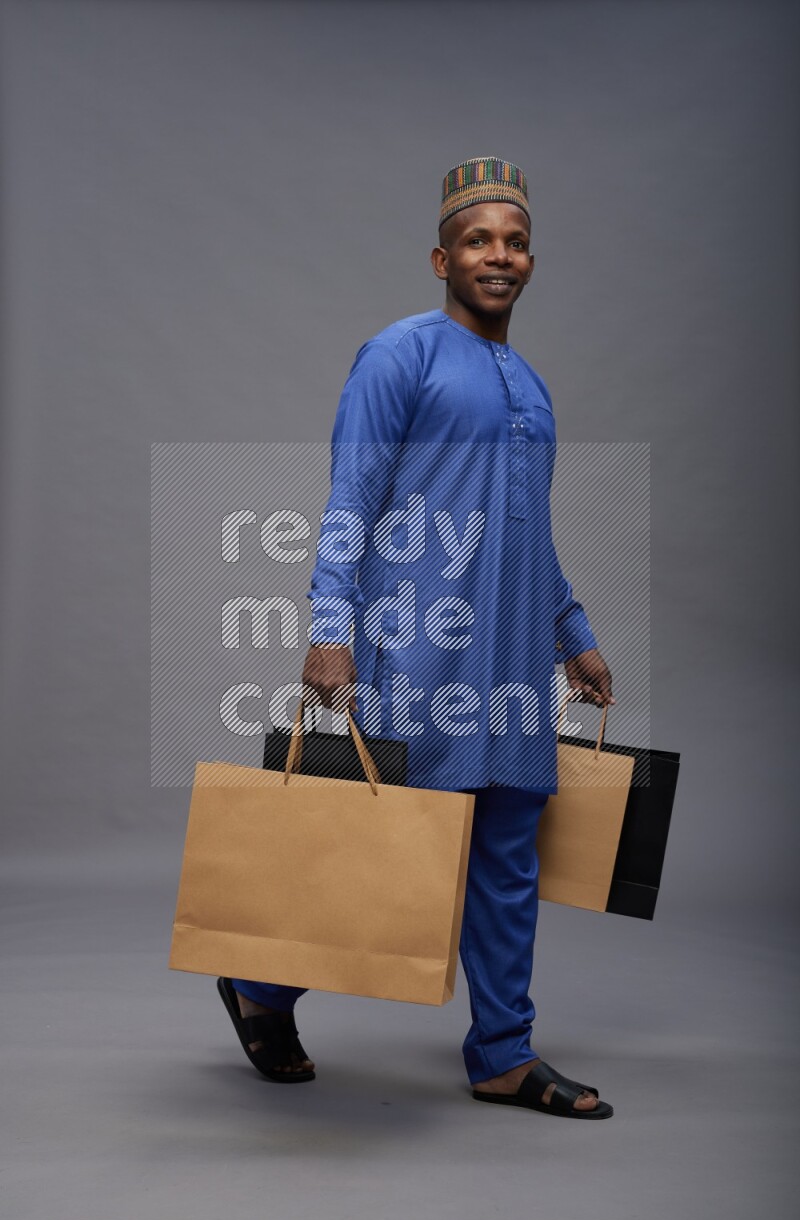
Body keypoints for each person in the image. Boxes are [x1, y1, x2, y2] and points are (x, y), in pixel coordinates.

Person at [217, 157, 616, 1119]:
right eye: (479, 240)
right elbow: (350, 498)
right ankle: (261, 986)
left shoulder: (534, 389)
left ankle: (504, 1053)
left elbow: (529, 530)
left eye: (515, 242)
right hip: (418, 649)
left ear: (532, 262)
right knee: (382, 847)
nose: (499, 256)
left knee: (508, 854)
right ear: (443, 258)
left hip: (511, 664)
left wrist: (573, 633)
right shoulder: (400, 356)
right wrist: (329, 627)